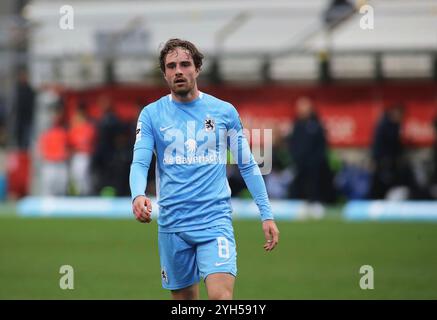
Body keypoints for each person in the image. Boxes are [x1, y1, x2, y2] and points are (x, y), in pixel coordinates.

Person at [129, 38, 279, 300]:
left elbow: (247, 164)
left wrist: (266, 214)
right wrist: (137, 194)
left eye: (185, 64)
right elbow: (140, 162)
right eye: (171, 66)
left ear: (197, 69)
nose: (178, 71)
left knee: (221, 299)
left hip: (214, 222)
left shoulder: (223, 111)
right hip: (173, 225)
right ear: (164, 73)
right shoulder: (151, 114)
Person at [287, 96, 330, 218]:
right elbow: (293, 144)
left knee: (314, 186)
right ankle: (300, 207)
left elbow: (321, 146)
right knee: (297, 186)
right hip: (299, 165)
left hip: (314, 166)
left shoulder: (316, 125)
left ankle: (316, 206)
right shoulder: (296, 125)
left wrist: (315, 161)